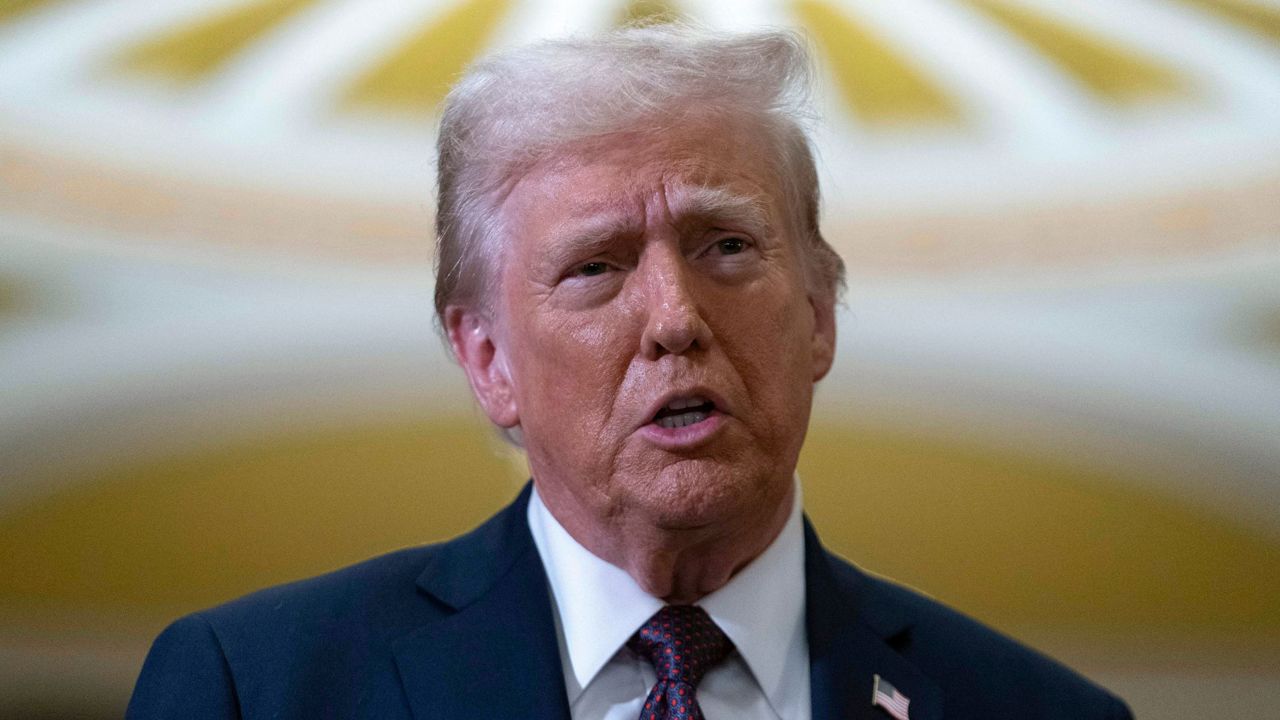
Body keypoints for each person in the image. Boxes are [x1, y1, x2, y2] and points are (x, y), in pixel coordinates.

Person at [128, 26, 1133, 720]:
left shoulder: (1035, 709)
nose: (674, 319)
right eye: (595, 267)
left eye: (726, 248)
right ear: (487, 360)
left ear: (819, 315)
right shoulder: (260, 688)